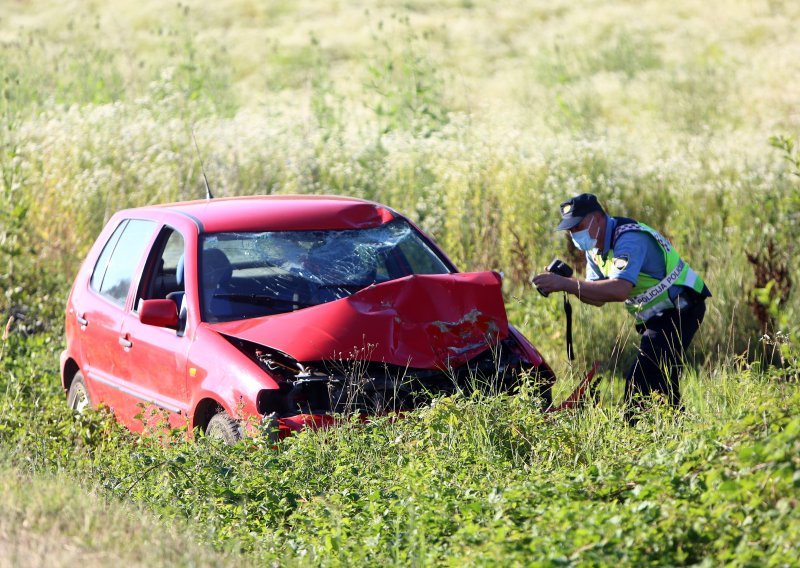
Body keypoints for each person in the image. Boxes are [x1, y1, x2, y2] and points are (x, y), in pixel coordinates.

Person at [532, 193, 711, 415]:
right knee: (661, 379)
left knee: (641, 378)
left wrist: (567, 284)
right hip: (656, 317)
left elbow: (618, 290)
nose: (573, 233)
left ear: (597, 218)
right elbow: (598, 299)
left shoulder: (629, 239)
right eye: (569, 229)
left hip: (681, 308)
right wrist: (566, 284)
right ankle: (676, 428)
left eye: (578, 226)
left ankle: (634, 431)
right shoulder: (594, 250)